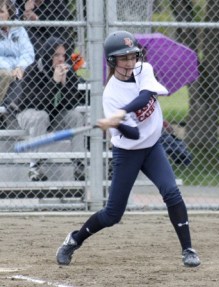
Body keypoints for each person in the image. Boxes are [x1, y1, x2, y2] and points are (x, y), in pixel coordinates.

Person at [56, 31, 200, 268]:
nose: (130, 62)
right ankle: (74, 239)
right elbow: (134, 135)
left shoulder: (145, 69)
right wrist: (118, 122)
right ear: (112, 61)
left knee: (171, 192)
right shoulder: (111, 95)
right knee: (113, 215)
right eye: (123, 58)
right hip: (128, 153)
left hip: (153, 147)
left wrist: (123, 113)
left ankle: (188, 249)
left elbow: (145, 97)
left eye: (133, 56)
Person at [15, 36, 85, 181]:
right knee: (41, 116)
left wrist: (64, 85)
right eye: (56, 55)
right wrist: (54, 82)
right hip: (28, 112)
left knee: (76, 116)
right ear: (48, 55)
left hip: (53, 114)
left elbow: (71, 104)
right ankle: (35, 167)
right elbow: (37, 102)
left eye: (63, 55)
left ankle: (79, 164)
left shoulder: (67, 71)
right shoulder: (33, 70)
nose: (61, 59)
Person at [0, 0, 34, 109]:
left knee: (22, 76)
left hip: (16, 70)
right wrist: (9, 67)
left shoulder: (19, 30)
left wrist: (20, 67)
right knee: (6, 74)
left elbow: (28, 53)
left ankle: (10, 107)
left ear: (9, 13)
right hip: (3, 69)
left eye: (1, 12)